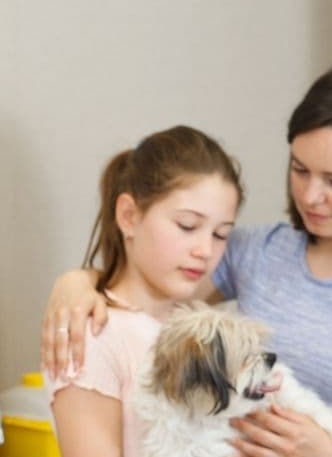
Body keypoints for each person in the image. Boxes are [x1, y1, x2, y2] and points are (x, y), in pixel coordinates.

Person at [42, 64, 332, 457]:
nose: (310, 196)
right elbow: (145, 285)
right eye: (300, 170)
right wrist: (76, 283)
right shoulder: (254, 253)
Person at [48, 125, 244, 457]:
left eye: (221, 234)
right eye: (187, 226)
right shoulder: (93, 334)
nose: (205, 249)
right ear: (128, 216)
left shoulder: (197, 326)